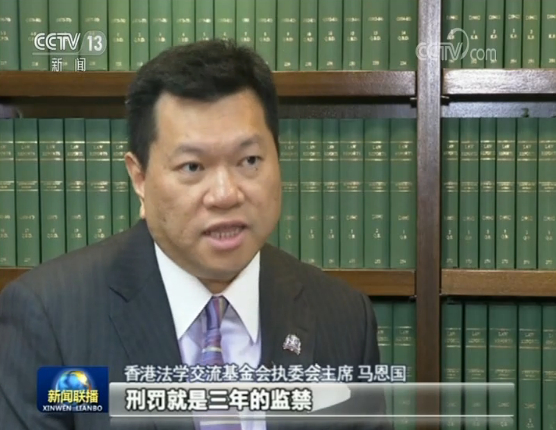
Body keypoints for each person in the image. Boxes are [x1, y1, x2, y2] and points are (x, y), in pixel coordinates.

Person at [0, 40, 388, 430]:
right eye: (192, 167)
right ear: (139, 177)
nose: (225, 195)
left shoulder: (344, 318)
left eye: (249, 160)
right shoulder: (50, 319)